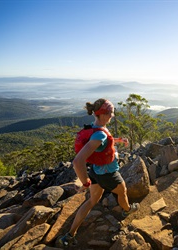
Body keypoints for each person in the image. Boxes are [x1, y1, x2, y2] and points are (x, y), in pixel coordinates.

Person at [56, 98, 140, 248]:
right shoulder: (100, 134)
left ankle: (69, 235)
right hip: (107, 173)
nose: (112, 116)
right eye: (111, 114)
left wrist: (117, 140)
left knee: (92, 201)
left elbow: (103, 141)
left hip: (96, 170)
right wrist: (85, 183)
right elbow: (77, 161)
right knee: (123, 191)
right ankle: (127, 210)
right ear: (103, 114)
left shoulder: (95, 128)